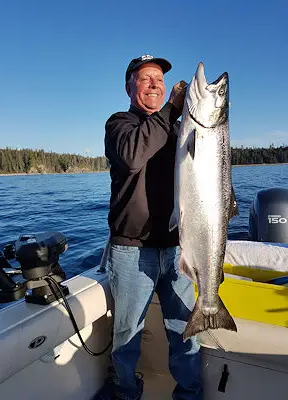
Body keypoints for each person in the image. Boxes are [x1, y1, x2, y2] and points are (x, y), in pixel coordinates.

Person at [94, 54, 202, 400]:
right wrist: (172, 109)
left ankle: (189, 394)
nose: (155, 83)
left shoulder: (177, 128)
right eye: (145, 78)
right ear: (129, 87)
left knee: (185, 332)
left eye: (160, 78)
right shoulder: (119, 124)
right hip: (130, 252)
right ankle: (127, 393)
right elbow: (131, 155)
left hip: (176, 250)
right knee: (126, 337)